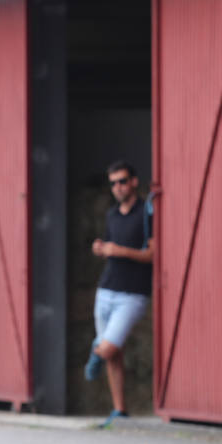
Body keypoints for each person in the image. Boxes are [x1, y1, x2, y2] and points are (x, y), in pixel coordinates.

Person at [84, 160, 154, 427]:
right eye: (113, 183)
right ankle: (119, 409)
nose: (118, 187)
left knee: (109, 345)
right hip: (106, 289)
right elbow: (110, 246)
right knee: (115, 354)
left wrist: (119, 251)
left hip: (133, 293)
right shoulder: (112, 215)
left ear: (134, 182)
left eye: (123, 181)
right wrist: (101, 248)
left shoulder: (147, 213)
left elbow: (152, 254)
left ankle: (95, 354)